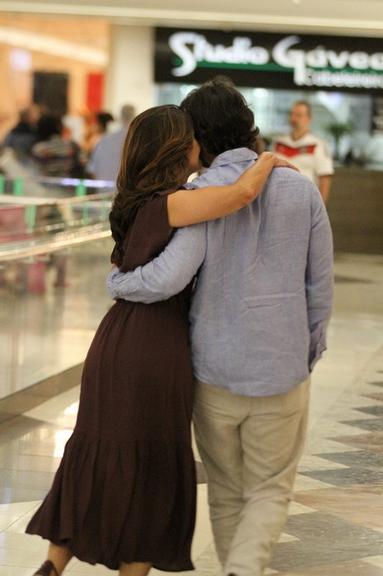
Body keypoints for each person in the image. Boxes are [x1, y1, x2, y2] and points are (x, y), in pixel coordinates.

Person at [27, 104, 293, 576]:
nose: (198, 145)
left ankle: (52, 565)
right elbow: (241, 195)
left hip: (114, 340)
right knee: (149, 465)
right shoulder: (173, 202)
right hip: (155, 344)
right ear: (177, 146)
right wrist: (266, 160)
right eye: (191, 137)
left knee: (96, 451)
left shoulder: (131, 200)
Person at [107, 80, 334, 576]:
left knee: (228, 491)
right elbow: (320, 288)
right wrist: (306, 353)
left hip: (212, 370)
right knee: (270, 488)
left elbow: (170, 277)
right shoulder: (300, 188)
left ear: (198, 141)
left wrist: (118, 281)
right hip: (281, 369)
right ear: (248, 127)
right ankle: (242, 570)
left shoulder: (198, 197)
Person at [273, 100, 334, 204]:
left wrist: (320, 208)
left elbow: (325, 180)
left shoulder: (317, 145)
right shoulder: (279, 142)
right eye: (292, 114)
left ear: (309, 118)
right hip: (278, 201)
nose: (293, 118)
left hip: (305, 202)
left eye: (298, 115)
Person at [87, 104, 135, 181]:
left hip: (104, 190)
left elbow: (92, 170)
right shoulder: (137, 140)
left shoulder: (105, 140)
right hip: (125, 190)